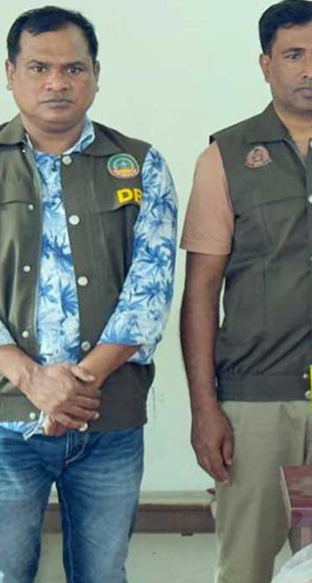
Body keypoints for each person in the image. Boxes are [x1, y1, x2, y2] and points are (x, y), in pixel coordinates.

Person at [178, 1, 312, 581]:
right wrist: (204, 408)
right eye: (294, 56)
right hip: (255, 405)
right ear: (265, 64)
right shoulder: (224, 156)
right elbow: (200, 293)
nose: (310, 70)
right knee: (246, 568)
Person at [0, 6, 177, 582]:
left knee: (102, 575)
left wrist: (76, 387)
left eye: (73, 68)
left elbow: (149, 290)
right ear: (11, 74)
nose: (57, 82)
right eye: (39, 68)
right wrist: (33, 380)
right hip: (4, 422)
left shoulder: (141, 165)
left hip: (108, 421)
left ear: (96, 75)